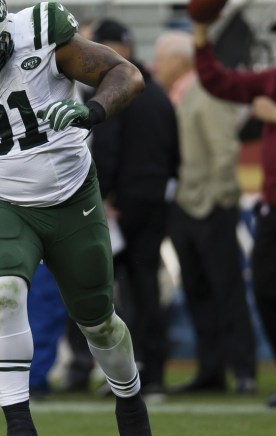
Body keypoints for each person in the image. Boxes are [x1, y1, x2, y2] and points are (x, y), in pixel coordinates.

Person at [0, 1, 151, 436]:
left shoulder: (40, 31)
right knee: (2, 295)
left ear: (6, 30)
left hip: (72, 196)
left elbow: (126, 74)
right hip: (0, 201)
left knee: (98, 321)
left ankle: (129, 397)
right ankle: (19, 428)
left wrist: (93, 109)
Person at [150, 30, 257, 397]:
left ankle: (243, 371)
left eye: (161, 59)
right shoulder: (179, 94)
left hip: (209, 207)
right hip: (183, 205)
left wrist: (215, 199)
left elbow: (225, 150)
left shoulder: (206, 91)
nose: (155, 66)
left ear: (180, 61)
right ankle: (211, 370)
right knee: (197, 291)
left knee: (226, 290)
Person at [89, 18, 180, 397]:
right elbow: (175, 153)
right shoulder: (157, 91)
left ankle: (132, 375)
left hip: (122, 205)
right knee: (147, 289)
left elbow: (107, 148)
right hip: (156, 200)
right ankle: (154, 372)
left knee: (121, 294)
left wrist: (104, 194)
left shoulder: (117, 88)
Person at [192, 20, 275, 405]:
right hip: (271, 207)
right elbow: (218, 83)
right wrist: (200, 34)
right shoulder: (271, 78)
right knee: (265, 289)